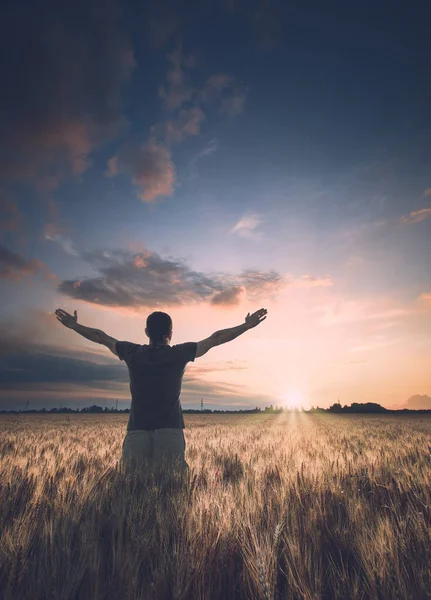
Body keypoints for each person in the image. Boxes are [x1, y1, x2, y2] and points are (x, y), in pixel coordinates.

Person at [55, 307, 268, 471]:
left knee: (133, 493)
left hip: (137, 430)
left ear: (147, 331)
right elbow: (216, 338)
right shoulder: (180, 353)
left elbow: (100, 337)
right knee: (173, 491)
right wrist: (245, 325)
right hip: (170, 431)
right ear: (171, 333)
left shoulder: (132, 352)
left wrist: (75, 326)